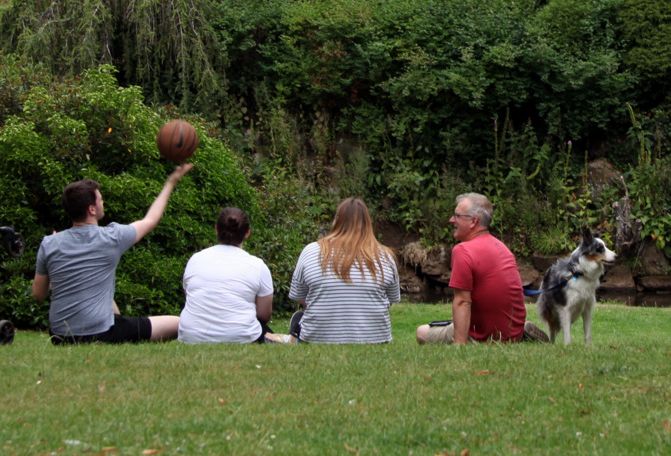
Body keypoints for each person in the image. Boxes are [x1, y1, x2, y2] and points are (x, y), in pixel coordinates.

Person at [33, 166, 193, 344]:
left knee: (107, 300)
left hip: (60, 337)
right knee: (179, 323)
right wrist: (171, 182)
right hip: (102, 334)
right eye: (101, 200)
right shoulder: (111, 237)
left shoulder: (49, 243)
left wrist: (56, 268)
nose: (103, 203)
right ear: (92, 210)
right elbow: (150, 220)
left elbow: (39, 294)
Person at [416, 193, 544, 345]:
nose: (451, 220)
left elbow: (462, 301)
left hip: (484, 336)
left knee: (422, 332)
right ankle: (520, 333)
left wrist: (459, 345)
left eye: (457, 216)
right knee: (454, 320)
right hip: (511, 332)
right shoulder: (501, 247)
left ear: (473, 221)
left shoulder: (463, 250)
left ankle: (478, 338)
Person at [288, 198, 400, 343]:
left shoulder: (310, 251)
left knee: (300, 317)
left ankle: (294, 334)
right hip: (376, 340)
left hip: (317, 339)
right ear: (368, 224)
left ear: (336, 221)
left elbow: (300, 296)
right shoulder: (386, 256)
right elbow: (390, 300)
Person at [177, 207, 274, 344]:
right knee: (270, 334)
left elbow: (190, 297)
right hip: (241, 336)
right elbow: (264, 314)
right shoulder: (257, 266)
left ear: (216, 229)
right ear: (247, 233)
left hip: (190, 336)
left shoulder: (195, 260)